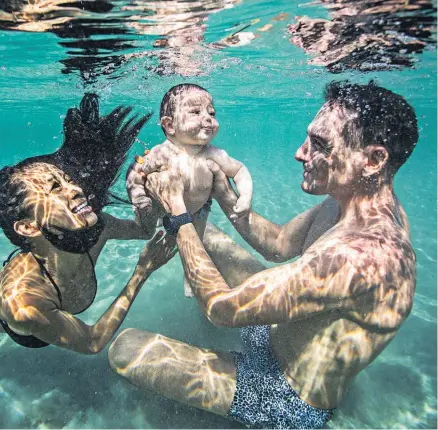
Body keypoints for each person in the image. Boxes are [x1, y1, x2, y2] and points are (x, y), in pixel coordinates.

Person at [108, 81, 418, 429]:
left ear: (373, 160)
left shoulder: (363, 254)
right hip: (274, 334)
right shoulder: (349, 205)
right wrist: (223, 193)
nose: (300, 153)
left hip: (285, 395)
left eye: (319, 144)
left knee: (125, 349)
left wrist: (178, 210)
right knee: (203, 231)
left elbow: (221, 309)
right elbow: (279, 243)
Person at [0, 94, 176, 393]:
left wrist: (148, 195)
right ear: (27, 226)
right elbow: (92, 341)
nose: (75, 189)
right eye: (56, 188)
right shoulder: (23, 303)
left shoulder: (97, 230)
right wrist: (141, 272)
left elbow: (144, 231)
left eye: (67, 180)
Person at [127, 83, 253, 297]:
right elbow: (135, 174)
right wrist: (138, 196)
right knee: (147, 230)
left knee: (196, 244)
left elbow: (240, 171)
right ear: (169, 125)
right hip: (159, 207)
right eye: (195, 112)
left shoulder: (213, 153)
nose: (208, 118)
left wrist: (246, 196)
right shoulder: (161, 153)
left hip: (198, 209)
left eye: (211, 112)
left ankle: (190, 277)